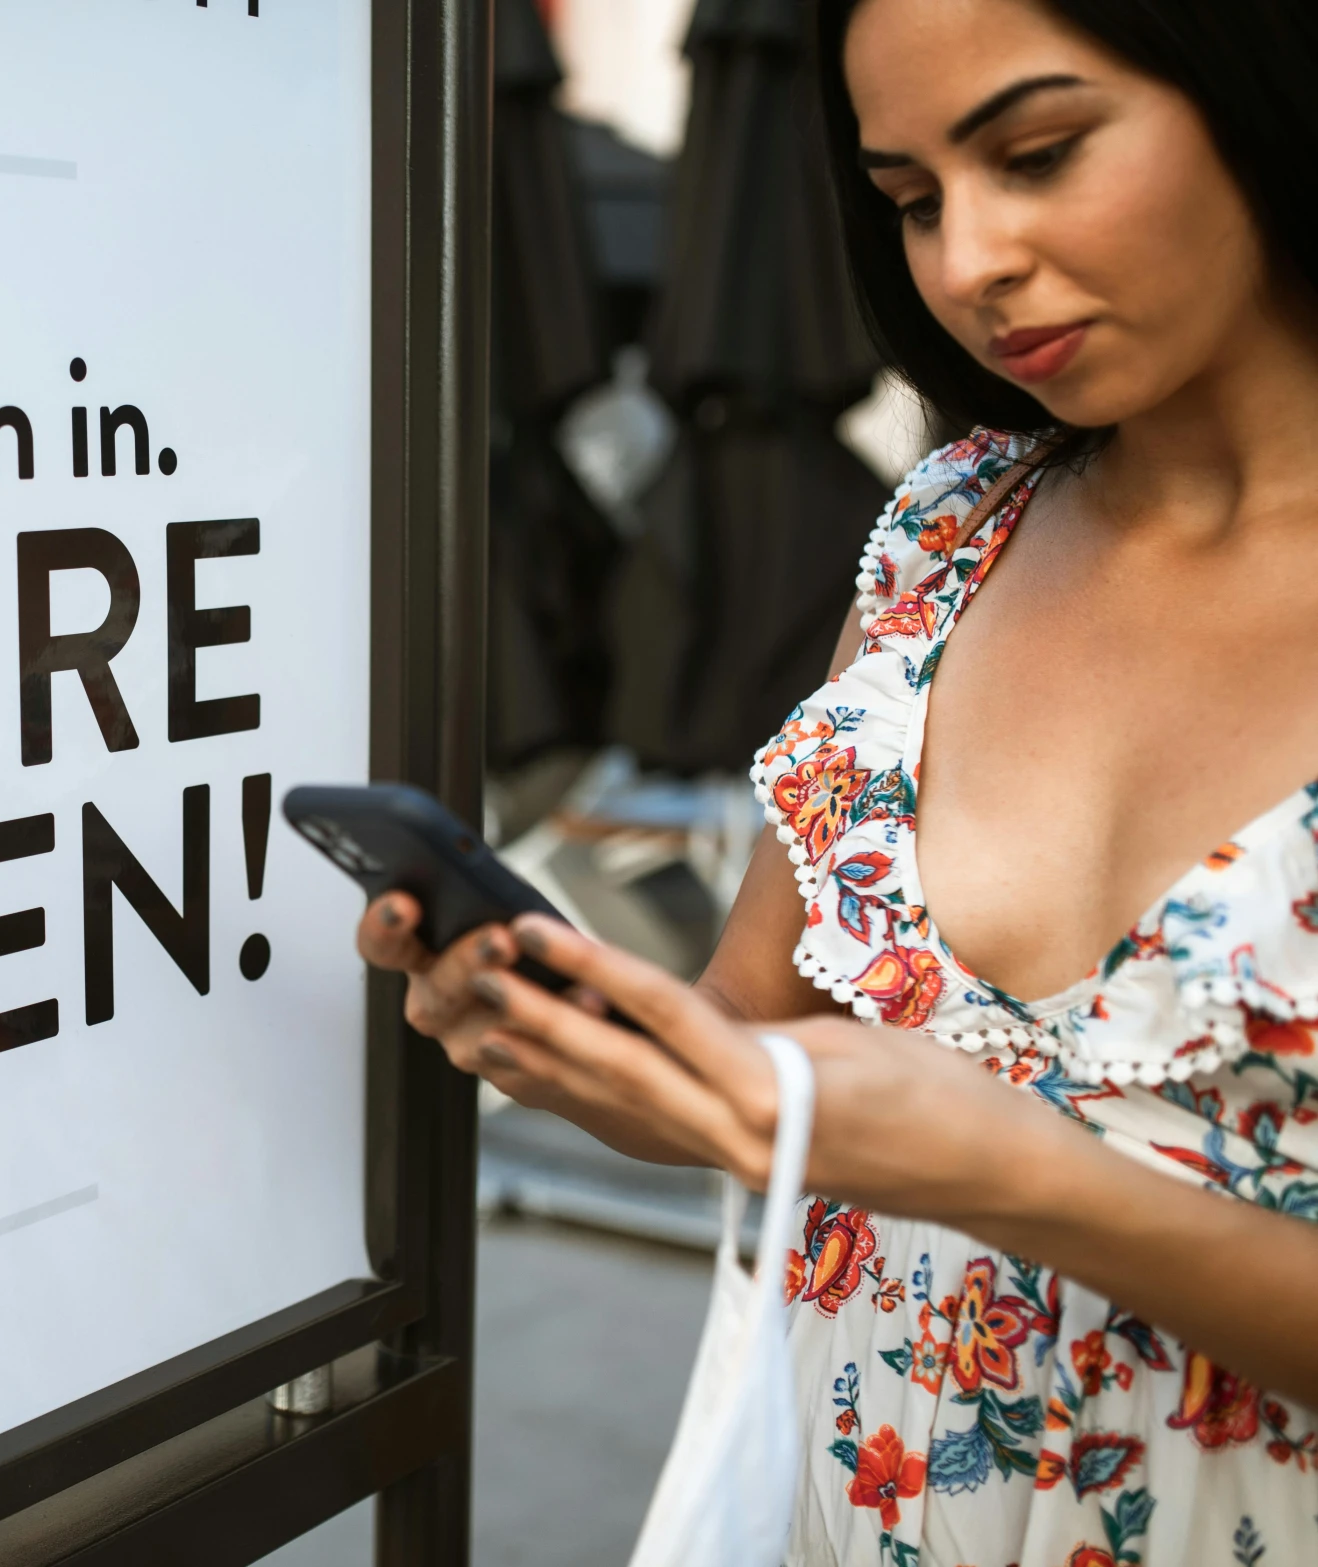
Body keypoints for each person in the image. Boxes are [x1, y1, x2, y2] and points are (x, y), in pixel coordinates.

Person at [359, 1, 1318, 1561]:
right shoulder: (948, 531)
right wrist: (586, 1039)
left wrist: (1028, 1180)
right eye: (911, 200)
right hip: (843, 1493)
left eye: (1038, 152)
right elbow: (757, 1039)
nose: (966, 263)